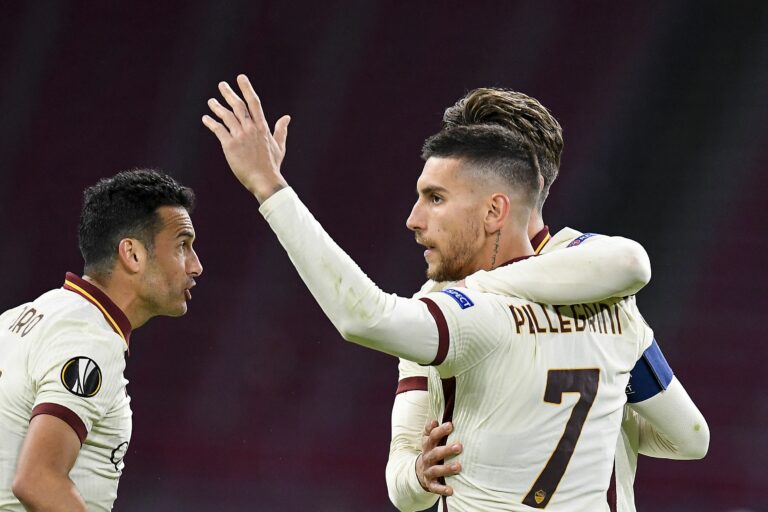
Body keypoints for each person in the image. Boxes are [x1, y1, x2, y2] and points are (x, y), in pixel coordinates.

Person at [203, 75, 662, 511]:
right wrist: (419, 475)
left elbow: (366, 317)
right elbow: (688, 435)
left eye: (437, 197)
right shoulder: (607, 296)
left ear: (511, 194)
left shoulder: (466, 306)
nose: (414, 219)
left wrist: (271, 188)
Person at [386, 89, 709, 512]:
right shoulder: (600, 284)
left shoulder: (446, 305)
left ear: (524, 182)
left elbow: (633, 262)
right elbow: (689, 437)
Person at [0, 170, 203, 511]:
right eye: (182, 246)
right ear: (132, 254)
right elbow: (37, 480)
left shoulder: (19, 317)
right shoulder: (92, 339)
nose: (196, 266)